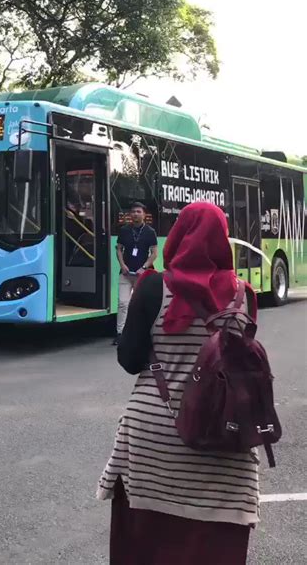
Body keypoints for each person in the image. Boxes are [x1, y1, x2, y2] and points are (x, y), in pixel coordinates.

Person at [97, 202, 259, 565]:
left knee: (146, 546)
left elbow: (129, 359)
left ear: (179, 237)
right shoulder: (241, 294)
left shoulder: (154, 286)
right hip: (223, 436)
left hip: (155, 441)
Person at [115, 202, 157, 344]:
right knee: (123, 303)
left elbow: (154, 253)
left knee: (142, 304)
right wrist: (122, 265)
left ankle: (144, 333)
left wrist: (144, 268)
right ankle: (120, 333)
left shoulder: (150, 232)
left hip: (142, 275)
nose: (135, 214)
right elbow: (119, 249)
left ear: (144, 214)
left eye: (138, 211)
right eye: (133, 212)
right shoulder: (124, 230)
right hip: (126, 273)